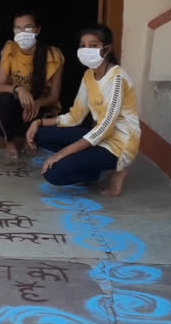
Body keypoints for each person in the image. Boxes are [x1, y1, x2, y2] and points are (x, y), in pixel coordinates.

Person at [26, 24, 141, 197]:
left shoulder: (117, 79)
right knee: (40, 134)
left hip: (119, 143)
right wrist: (39, 122)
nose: (86, 50)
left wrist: (61, 154)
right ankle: (93, 172)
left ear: (107, 49)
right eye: (83, 45)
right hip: (97, 136)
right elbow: (75, 116)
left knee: (54, 173)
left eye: (93, 46)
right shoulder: (89, 75)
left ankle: (119, 168)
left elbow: (105, 128)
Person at [0, 11, 65, 159]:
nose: (22, 33)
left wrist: (37, 103)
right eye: (17, 28)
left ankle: (30, 138)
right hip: (17, 103)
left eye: (28, 27)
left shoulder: (53, 56)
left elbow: (54, 96)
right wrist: (19, 89)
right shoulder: (10, 49)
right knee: (3, 99)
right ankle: (10, 141)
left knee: (51, 134)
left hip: (40, 106)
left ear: (37, 30)